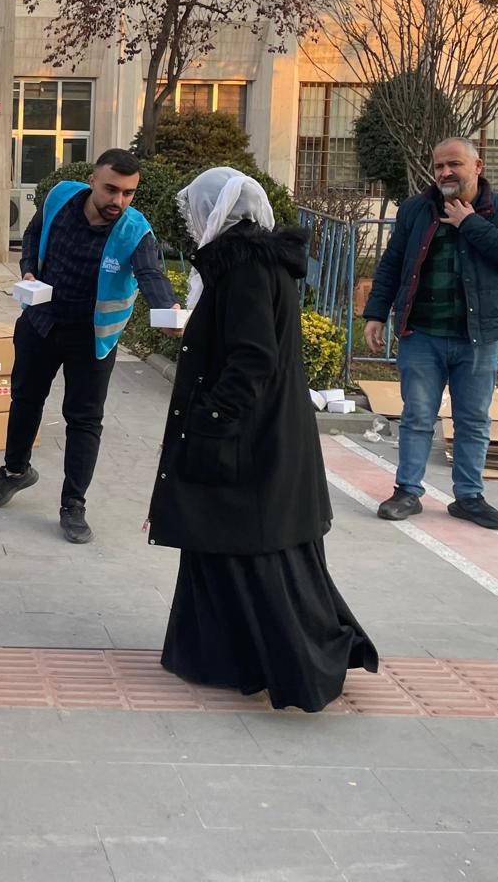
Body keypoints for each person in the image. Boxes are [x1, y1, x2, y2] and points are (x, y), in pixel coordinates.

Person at [148, 168, 377, 712]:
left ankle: (286, 659)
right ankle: (220, 656)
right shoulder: (244, 261)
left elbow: (252, 357)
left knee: (251, 542)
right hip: (258, 430)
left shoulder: (246, 266)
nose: (191, 221)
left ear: (216, 212)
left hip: (249, 435)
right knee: (225, 538)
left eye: (196, 210)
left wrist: (213, 418)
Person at [0, 148, 182, 544]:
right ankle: (15, 472)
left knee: (84, 419)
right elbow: (34, 233)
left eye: (128, 193)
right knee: (25, 399)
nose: (118, 201)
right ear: (92, 181)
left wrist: (167, 310)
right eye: (111, 189)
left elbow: (151, 274)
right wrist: (29, 270)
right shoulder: (60, 198)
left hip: (92, 337)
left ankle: (73, 504)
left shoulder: (134, 231)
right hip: (41, 321)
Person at [362, 137, 498, 530]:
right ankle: (407, 491)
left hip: (477, 337)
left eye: (454, 164)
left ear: (477, 166)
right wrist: (375, 313)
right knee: (417, 416)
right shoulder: (416, 209)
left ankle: (469, 497)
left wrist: (470, 223)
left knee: (472, 419)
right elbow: (392, 263)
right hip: (422, 333)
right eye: (439, 166)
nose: (445, 173)